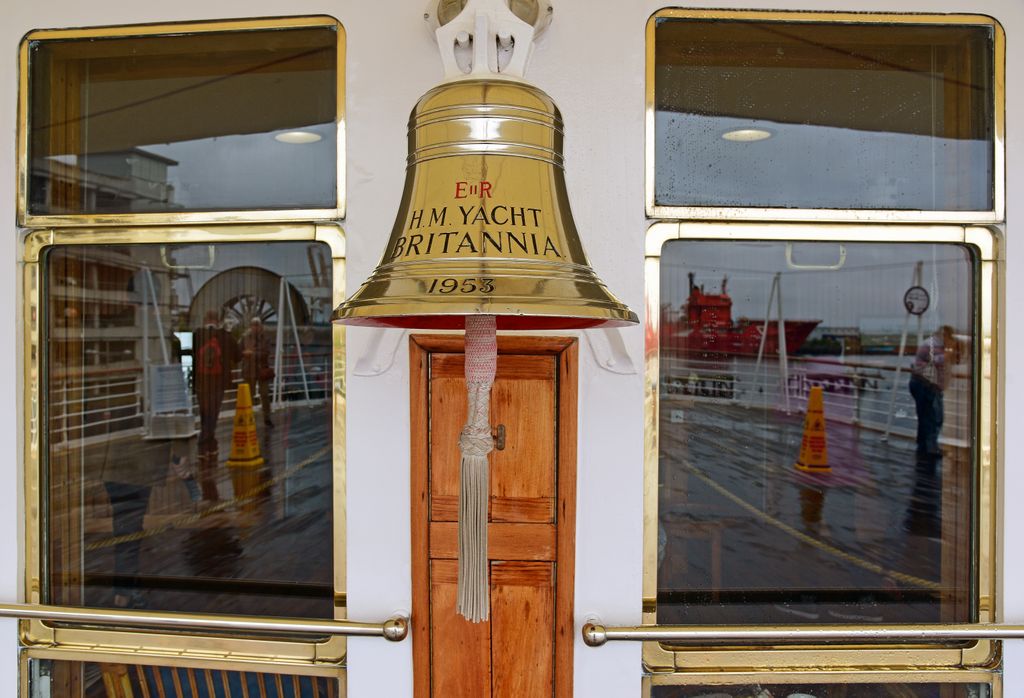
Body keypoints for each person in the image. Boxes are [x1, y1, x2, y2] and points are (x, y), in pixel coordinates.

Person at [905, 325, 960, 537]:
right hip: (925, 385)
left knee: (926, 419)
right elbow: (939, 362)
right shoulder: (935, 345)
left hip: (922, 383)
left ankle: (924, 447)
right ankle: (928, 449)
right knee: (933, 418)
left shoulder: (932, 343)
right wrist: (952, 354)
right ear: (945, 335)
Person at [192, 309, 240, 501]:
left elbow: (183, 356)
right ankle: (205, 446)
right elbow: (237, 356)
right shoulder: (225, 336)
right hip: (218, 382)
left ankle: (209, 447)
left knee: (205, 414)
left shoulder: (196, 335)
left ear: (205, 320)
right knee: (213, 414)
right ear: (218, 321)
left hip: (200, 382)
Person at [240, 317, 274, 426]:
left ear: (261, 326)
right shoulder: (244, 338)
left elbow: (266, 353)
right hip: (248, 370)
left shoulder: (266, 338)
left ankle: (267, 418)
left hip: (262, 370)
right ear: (251, 326)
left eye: (257, 325)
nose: (255, 327)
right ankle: (247, 419)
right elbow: (239, 351)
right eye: (253, 325)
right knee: (248, 396)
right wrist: (245, 353)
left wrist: (252, 354)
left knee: (264, 394)